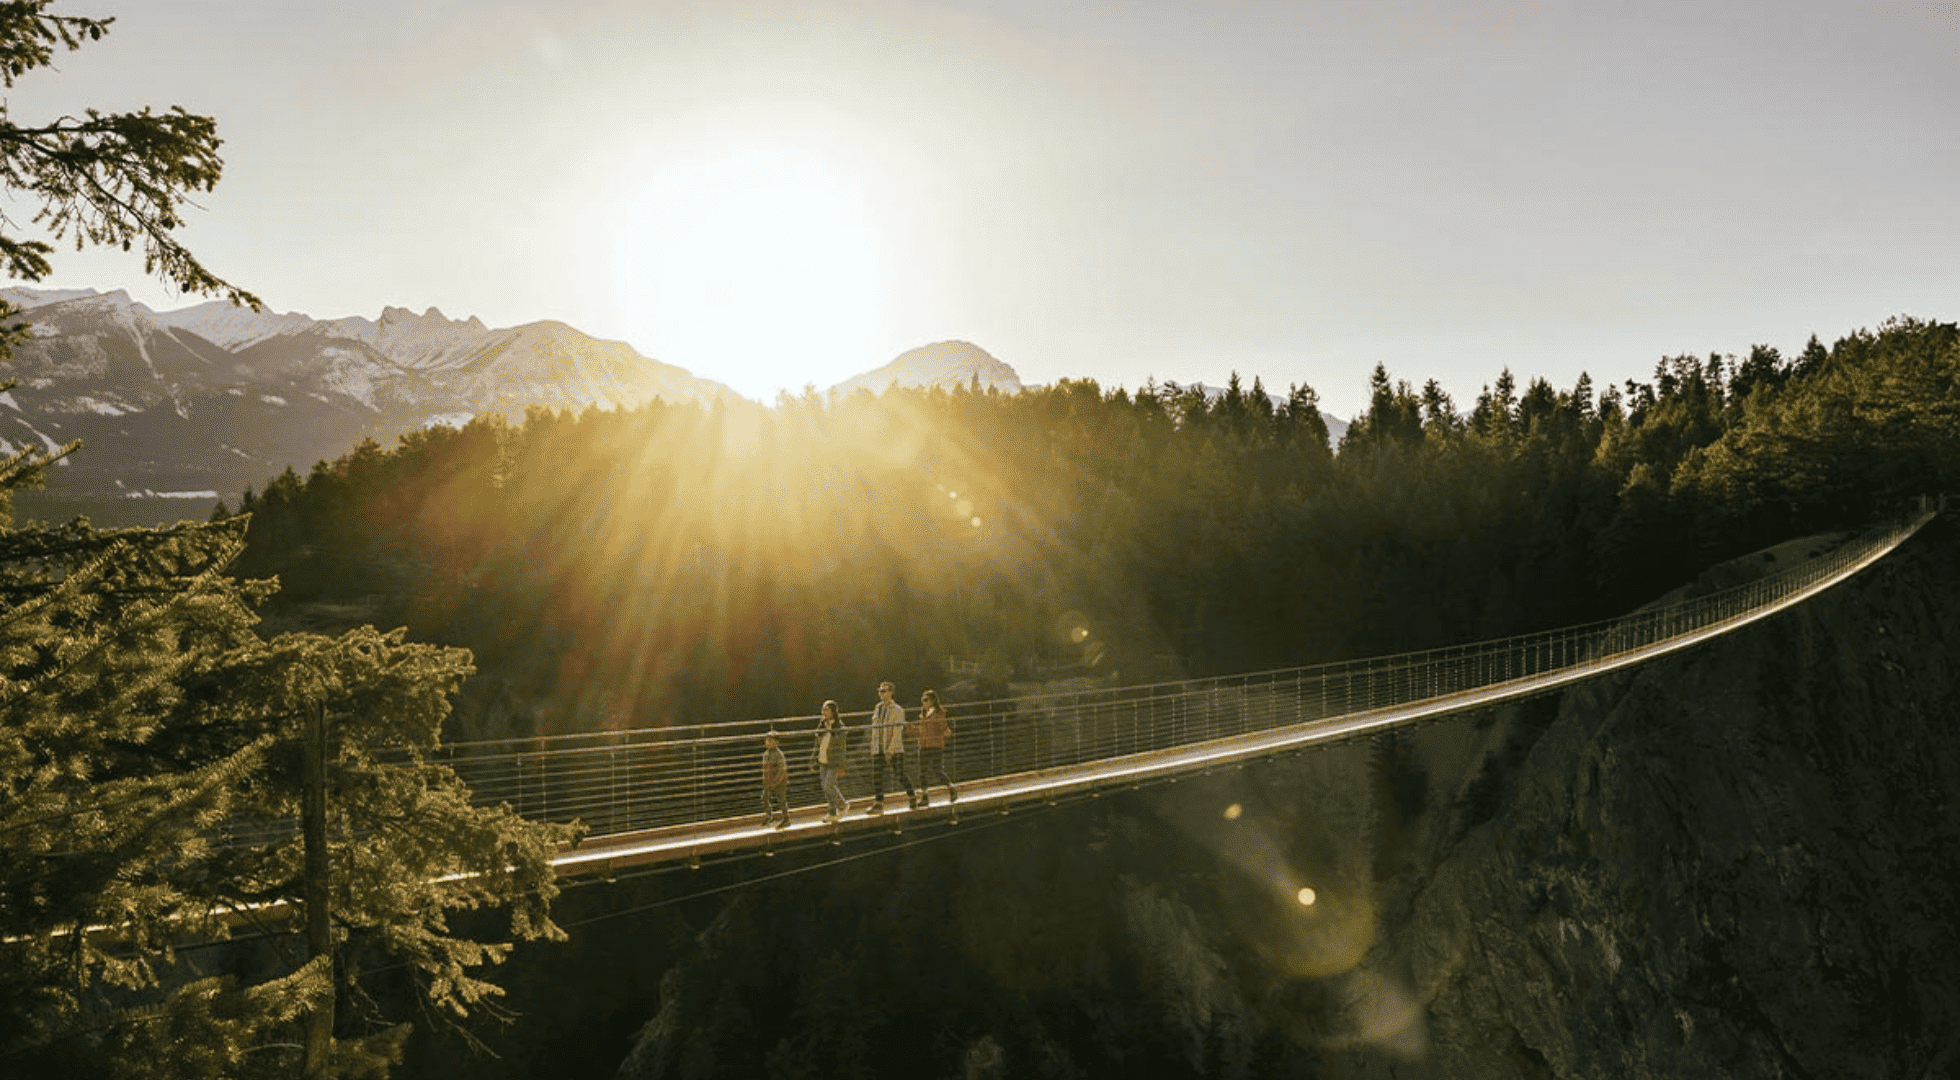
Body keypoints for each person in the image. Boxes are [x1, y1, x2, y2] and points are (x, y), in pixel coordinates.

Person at [867, 680, 916, 814]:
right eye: (879, 691)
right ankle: (878, 803)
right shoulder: (878, 708)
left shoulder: (898, 710)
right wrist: (874, 746)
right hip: (878, 747)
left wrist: (890, 750)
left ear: (891, 693)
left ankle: (912, 796)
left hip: (894, 748)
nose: (881, 694)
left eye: (883, 691)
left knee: (899, 774)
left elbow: (897, 731)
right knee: (876, 775)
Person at [913, 688, 958, 807]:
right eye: (922, 700)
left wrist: (937, 737)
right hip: (923, 745)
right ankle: (924, 798)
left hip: (935, 746)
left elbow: (947, 732)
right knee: (922, 772)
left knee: (937, 770)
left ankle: (951, 788)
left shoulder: (939, 714)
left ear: (932, 701)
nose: (923, 702)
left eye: (925, 700)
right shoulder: (923, 713)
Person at [812, 700, 850, 822]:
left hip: (833, 762)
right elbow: (817, 745)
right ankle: (832, 812)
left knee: (829, 786)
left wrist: (842, 765)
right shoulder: (822, 726)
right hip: (822, 760)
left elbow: (842, 749)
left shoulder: (839, 728)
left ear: (833, 712)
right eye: (823, 709)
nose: (823, 712)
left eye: (826, 709)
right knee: (825, 787)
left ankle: (843, 805)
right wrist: (813, 760)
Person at [760, 729, 790, 829]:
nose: (768, 743)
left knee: (781, 800)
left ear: (777, 743)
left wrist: (776, 782)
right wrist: (765, 780)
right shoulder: (765, 754)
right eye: (767, 740)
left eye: (771, 741)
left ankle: (786, 819)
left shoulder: (779, 754)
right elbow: (765, 768)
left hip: (779, 781)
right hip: (769, 781)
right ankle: (769, 816)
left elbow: (782, 770)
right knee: (764, 797)